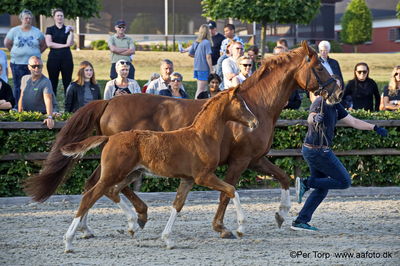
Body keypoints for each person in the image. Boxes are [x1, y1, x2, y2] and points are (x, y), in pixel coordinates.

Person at [292, 95, 388, 232]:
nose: (337, 91)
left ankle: (300, 221)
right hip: (318, 150)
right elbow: (310, 116)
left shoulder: (336, 105)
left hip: (315, 150)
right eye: (335, 88)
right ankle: (306, 183)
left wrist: (375, 127)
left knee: (322, 188)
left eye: (339, 88)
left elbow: (353, 122)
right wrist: (314, 119)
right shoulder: (320, 101)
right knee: (344, 181)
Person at [4, 9, 46, 108]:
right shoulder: (14, 31)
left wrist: (36, 55)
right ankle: (17, 107)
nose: (28, 20)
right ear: (21, 19)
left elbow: (44, 45)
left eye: (30, 18)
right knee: (18, 86)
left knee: (32, 85)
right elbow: (7, 43)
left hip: (33, 65)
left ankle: (30, 106)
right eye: (26, 18)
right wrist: (15, 53)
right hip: (17, 63)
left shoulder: (37, 32)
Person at [18, 56, 55, 129]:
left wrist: (49, 117)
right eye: (34, 66)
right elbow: (21, 97)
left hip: (40, 116)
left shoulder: (46, 81)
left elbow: (48, 99)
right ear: (29, 67)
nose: (37, 69)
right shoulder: (24, 79)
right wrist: (19, 114)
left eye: (39, 66)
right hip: (25, 115)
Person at [45, 8, 74, 96]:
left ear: (63, 17)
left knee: (67, 82)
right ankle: (53, 105)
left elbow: (70, 43)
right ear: (54, 17)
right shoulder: (50, 29)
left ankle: (68, 105)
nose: (60, 17)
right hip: (53, 58)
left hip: (66, 58)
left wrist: (72, 32)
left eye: (61, 15)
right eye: (58, 15)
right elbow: (49, 44)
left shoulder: (68, 29)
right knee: (53, 82)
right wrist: (64, 45)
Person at [273, 44, 302, 109]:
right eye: (277, 54)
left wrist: (288, 103)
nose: (280, 56)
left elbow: (297, 103)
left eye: (282, 54)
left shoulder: (291, 75)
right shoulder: (267, 74)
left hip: (288, 114)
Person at [189, 24, 214, 98]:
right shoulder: (206, 42)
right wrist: (211, 69)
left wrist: (199, 57)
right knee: (202, 89)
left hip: (197, 68)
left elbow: (190, 54)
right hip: (204, 68)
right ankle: (196, 104)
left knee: (200, 88)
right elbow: (208, 56)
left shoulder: (196, 42)